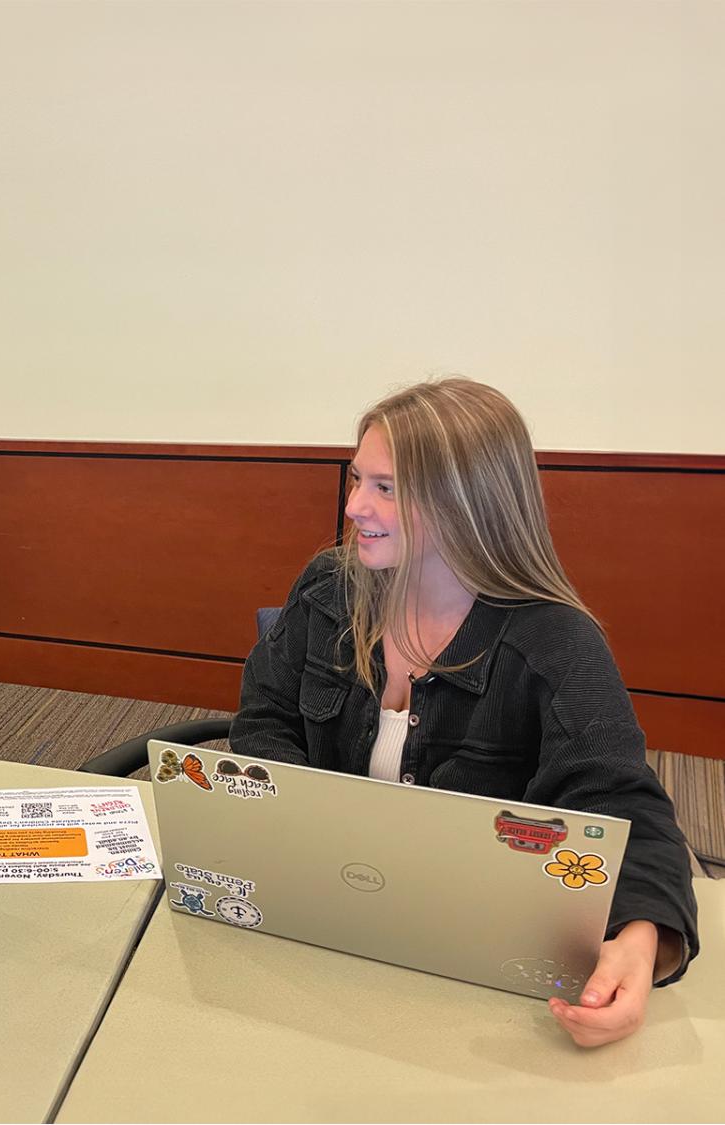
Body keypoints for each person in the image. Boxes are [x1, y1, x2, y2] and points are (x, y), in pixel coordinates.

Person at [229, 377, 698, 1048]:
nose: (355, 505)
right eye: (356, 478)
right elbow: (264, 723)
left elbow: (629, 810)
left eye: (386, 488)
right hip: (329, 924)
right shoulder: (329, 587)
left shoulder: (554, 642)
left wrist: (642, 938)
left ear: (466, 502)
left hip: (465, 972)